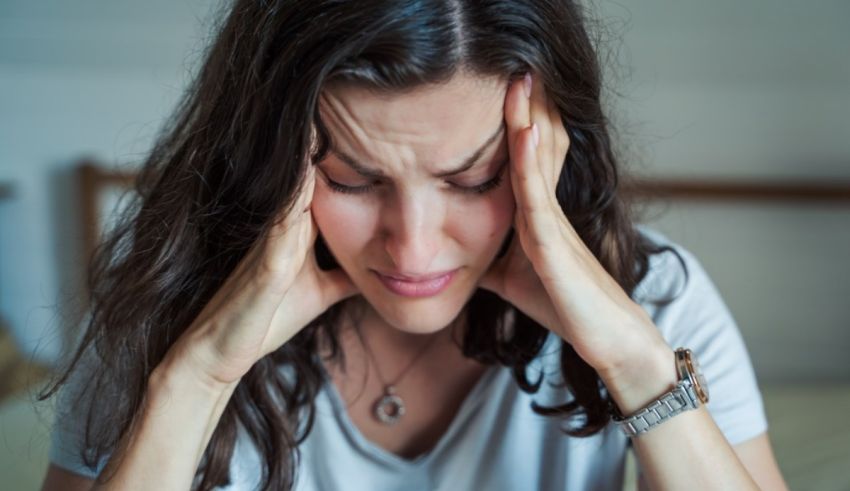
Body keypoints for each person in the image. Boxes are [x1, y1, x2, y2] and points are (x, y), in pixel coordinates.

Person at [39, 1, 788, 490]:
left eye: (473, 179)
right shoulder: (169, 297)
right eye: (354, 180)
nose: (414, 248)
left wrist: (634, 364)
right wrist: (196, 375)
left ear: (550, 154)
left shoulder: (652, 300)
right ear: (270, 163)